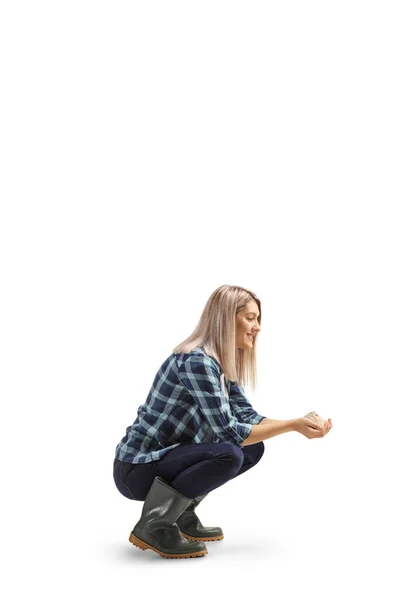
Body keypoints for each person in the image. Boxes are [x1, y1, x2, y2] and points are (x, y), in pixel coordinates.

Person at [113, 284, 332, 559]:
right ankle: (154, 525)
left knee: (252, 448)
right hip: (136, 468)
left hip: (166, 460)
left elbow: (248, 417)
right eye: (250, 318)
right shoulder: (197, 361)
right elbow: (229, 432)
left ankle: (180, 513)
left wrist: (298, 423)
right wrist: (291, 426)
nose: (258, 327)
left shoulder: (220, 363)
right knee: (230, 453)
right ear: (227, 318)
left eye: (258, 319)